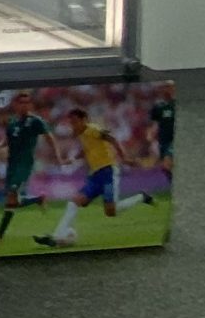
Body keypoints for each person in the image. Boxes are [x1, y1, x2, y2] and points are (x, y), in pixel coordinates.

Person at [35, 106, 153, 249]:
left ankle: (141, 197)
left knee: (111, 211)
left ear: (84, 120)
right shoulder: (82, 135)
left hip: (108, 172)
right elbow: (86, 150)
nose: (73, 125)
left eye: (75, 122)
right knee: (74, 202)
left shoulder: (93, 129)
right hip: (95, 175)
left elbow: (112, 138)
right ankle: (56, 236)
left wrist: (124, 158)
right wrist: (72, 159)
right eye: (71, 123)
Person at [0, 91, 59, 241]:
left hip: (24, 164)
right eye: (22, 102)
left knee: (11, 198)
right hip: (12, 165)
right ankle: (38, 199)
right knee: (11, 201)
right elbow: (7, 140)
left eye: (28, 102)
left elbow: (49, 137)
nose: (25, 105)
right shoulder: (12, 122)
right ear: (15, 105)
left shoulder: (35, 121)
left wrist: (57, 156)